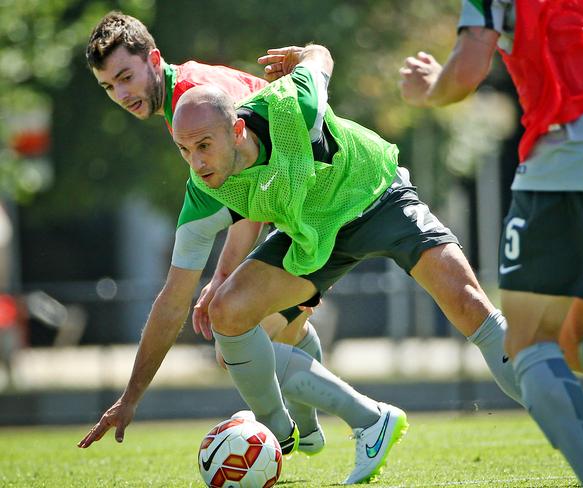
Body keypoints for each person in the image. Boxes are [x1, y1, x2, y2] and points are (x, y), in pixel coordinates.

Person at [164, 41, 530, 481]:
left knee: (472, 306)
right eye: (185, 150)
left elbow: (322, 56)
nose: (196, 161)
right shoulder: (205, 183)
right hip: (316, 234)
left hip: (378, 195)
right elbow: (179, 288)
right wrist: (130, 398)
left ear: (237, 130)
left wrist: (303, 57)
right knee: (228, 316)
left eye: (203, 144)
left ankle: (564, 412)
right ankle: (291, 432)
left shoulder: (292, 102)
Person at [399, 1, 583, 486]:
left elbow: (469, 68)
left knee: (528, 344)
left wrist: (429, 89)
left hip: (571, 148)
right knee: (577, 343)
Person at [81, 11, 335, 458]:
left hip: (323, 199)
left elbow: (255, 183)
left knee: (235, 335)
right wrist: (130, 398)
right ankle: (312, 431)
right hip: (298, 208)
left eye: (125, 76)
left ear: (153, 60)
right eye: (108, 87)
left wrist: (221, 276)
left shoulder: (194, 94)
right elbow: (175, 296)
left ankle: (364, 420)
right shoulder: (181, 104)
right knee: (255, 331)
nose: (120, 94)